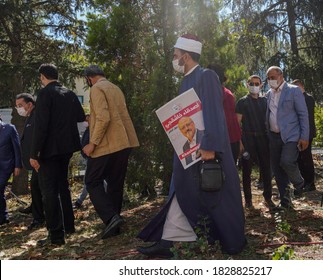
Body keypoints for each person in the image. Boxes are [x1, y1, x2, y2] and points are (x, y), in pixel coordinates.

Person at [137, 34, 246, 258]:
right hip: (188, 151)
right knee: (181, 190)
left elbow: (213, 113)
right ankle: (170, 240)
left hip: (205, 150)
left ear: (185, 56)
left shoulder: (206, 76)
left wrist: (210, 146)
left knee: (216, 195)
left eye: (176, 55)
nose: (174, 59)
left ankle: (231, 240)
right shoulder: (186, 79)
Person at [30, 63, 85, 246]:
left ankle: (56, 236)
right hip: (67, 149)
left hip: (49, 150)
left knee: (49, 192)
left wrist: (34, 153)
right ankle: (68, 226)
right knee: (63, 187)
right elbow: (80, 116)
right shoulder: (69, 93)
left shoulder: (45, 94)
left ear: (43, 77)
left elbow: (41, 126)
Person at [83, 65, 139, 239]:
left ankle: (110, 217)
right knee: (115, 183)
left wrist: (93, 143)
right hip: (124, 141)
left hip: (107, 144)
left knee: (92, 180)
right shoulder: (115, 87)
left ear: (89, 78)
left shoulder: (96, 88)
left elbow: (104, 117)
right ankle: (114, 225)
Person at [265, 66, 309, 209]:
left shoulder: (293, 90)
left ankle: (299, 183)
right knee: (277, 170)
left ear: (281, 75)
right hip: (273, 136)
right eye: (269, 78)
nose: (271, 80)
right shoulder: (268, 94)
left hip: (291, 134)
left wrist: (304, 136)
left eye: (273, 77)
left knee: (287, 161)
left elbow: (303, 114)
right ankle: (285, 201)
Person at [235, 75, 274, 209]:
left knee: (266, 169)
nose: (254, 85)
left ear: (261, 85)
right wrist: (240, 143)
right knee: (247, 171)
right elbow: (237, 123)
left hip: (263, 139)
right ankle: (248, 201)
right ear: (247, 84)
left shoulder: (265, 101)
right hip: (247, 139)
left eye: (257, 83)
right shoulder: (242, 102)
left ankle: (268, 198)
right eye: (252, 83)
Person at [15, 93, 45, 230]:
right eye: (17, 106)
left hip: (39, 160)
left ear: (30, 104)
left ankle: (39, 217)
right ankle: (35, 209)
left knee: (39, 188)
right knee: (35, 187)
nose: (19, 109)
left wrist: (36, 156)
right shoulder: (30, 117)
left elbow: (38, 138)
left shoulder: (37, 116)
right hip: (33, 161)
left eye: (20, 105)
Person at [207, 64, 241, 163]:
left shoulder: (224, 95)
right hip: (228, 141)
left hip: (225, 143)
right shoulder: (225, 93)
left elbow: (228, 121)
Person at [291, 79, 317, 193]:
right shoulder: (297, 99)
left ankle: (310, 183)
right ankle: (303, 182)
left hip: (307, 133)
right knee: (299, 158)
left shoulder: (308, 98)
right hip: (297, 133)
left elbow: (305, 117)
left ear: (301, 86)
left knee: (306, 158)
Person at [0, 115, 22, 225]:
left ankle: (3, 216)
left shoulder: (9, 128)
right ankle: (3, 217)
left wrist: (18, 165)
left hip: (6, 166)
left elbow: (17, 148)